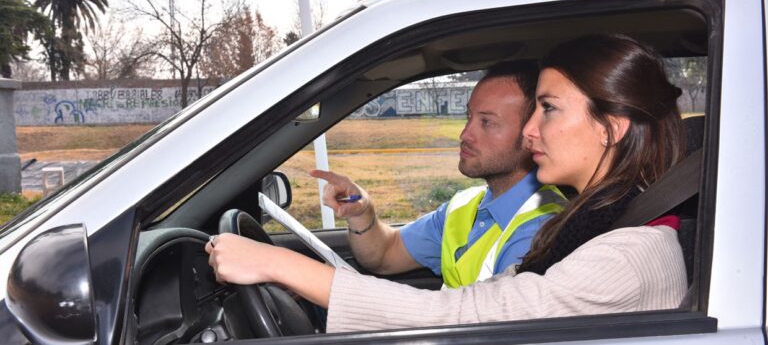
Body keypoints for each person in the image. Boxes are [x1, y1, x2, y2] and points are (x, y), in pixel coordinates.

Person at [206, 34, 689, 333]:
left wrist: (280, 264)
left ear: (610, 127)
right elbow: (470, 303)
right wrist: (362, 216)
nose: (530, 131)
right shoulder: (582, 227)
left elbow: (464, 317)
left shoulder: (622, 255)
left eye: (549, 109)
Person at [309, 61, 567, 289]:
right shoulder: (466, 206)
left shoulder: (541, 232)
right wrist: (361, 212)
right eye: (469, 116)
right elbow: (385, 254)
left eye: (487, 122)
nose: (465, 134)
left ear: (533, 133)